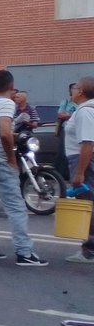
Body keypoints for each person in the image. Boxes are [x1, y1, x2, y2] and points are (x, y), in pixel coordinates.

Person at [0, 70, 48, 267]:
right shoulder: (6, 104)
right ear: (11, 85)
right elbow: (5, 134)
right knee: (16, 207)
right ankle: (24, 252)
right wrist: (11, 159)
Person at [63, 77, 94, 264]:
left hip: (83, 160)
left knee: (88, 204)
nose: (72, 91)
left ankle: (89, 250)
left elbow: (87, 143)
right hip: (85, 159)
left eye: (74, 88)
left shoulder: (85, 112)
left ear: (80, 91)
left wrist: (80, 172)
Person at [56, 82, 81, 181]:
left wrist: (69, 115)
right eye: (74, 88)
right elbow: (60, 115)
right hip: (66, 129)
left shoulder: (83, 103)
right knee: (63, 152)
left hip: (78, 129)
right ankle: (62, 175)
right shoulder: (65, 102)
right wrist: (75, 115)